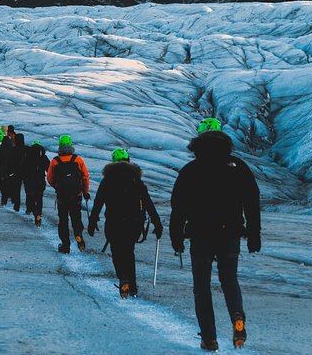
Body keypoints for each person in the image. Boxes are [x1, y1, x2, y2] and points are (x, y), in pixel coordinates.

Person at [169, 118, 261, 351]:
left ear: (198, 141)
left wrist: (176, 237)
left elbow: (178, 206)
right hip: (230, 233)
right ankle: (237, 316)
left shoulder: (190, 170)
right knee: (229, 279)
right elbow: (251, 201)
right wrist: (253, 234)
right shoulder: (238, 166)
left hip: (200, 235)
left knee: (201, 288)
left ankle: (209, 339)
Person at [88, 148, 163, 299]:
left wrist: (93, 221)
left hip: (114, 222)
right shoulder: (136, 180)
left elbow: (98, 202)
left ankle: (123, 279)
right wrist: (157, 223)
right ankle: (133, 287)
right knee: (129, 252)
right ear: (128, 160)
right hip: (134, 223)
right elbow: (148, 202)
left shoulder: (108, 180)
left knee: (117, 252)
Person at [47, 134, 90, 254]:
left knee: (63, 220)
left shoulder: (55, 161)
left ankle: (65, 246)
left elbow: (50, 179)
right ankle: (78, 235)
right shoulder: (78, 160)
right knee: (76, 217)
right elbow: (85, 177)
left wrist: (57, 187)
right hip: (76, 195)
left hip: (62, 197)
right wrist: (85, 192)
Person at [22, 140, 50, 227]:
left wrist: (24, 178)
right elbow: (49, 169)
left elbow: (23, 168)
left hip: (30, 181)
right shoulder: (44, 157)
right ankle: (38, 215)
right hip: (40, 181)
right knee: (39, 198)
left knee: (31, 197)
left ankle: (33, 211)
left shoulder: (27, 156)